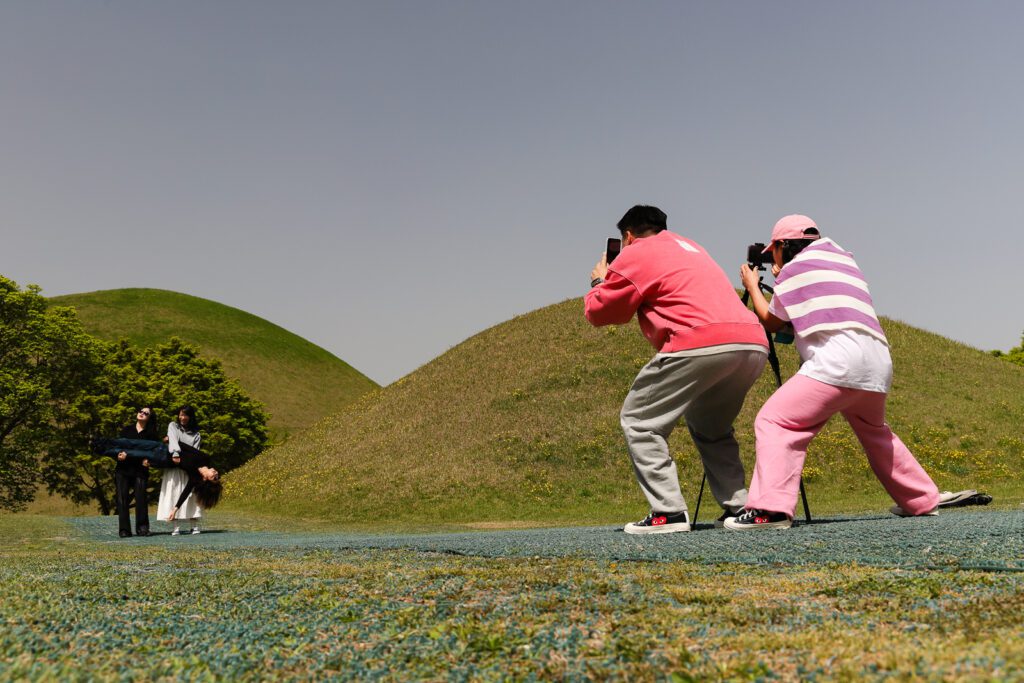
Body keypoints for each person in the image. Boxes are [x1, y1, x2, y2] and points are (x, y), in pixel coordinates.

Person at [730, 214, 939, 530]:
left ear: (784, 245)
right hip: (877, 362)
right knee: (875, 432)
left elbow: (771, 322)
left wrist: (752, 286)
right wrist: (783, 276)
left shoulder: (795, 271)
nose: (771, 256)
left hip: (837, 363)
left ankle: (769, 510)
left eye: (773, 249)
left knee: (775, 421)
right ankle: (921, 500)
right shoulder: (842, 261)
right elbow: (801, 317)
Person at [585, 205, 769, 534]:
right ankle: (740, 505)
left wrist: (601, 281)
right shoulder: (692, 246)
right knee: (711, 425)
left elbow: (603, 313)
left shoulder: (634, 253)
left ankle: (667, 512)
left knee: (640, 421)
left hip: (700, 342)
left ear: (628, 236)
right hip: (751, 342)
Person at [111, 406, 158, 538]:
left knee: (141, 499)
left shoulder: (151, 434)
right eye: (140, 411)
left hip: (140, 470)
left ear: (149, 418)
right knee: (122, 499)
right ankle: (124, 530)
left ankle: (142, 528)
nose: (142, 414)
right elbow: (117, 447)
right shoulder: (127, 430)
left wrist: (149, 461)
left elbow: (156, 453)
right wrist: (118, 455)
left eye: (146, 413)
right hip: (123, 469)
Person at [157, 406, 205, 535]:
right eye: (180, 415)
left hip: (188, 467)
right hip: (174, 466)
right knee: (174, 493)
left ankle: (194, 524)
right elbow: (173, 441)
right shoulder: (173, 426)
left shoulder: (196, 434)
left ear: (190, 417)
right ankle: (175, 526)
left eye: (185, 415)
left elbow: (195, 452)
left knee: (191, 495)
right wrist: (176, 453)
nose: (182, 418)